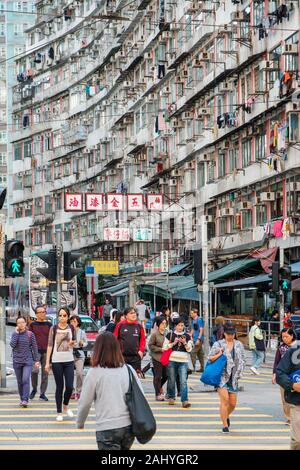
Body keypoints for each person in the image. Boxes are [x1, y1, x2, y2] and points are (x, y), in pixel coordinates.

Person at [77, 332, 143, 450]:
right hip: (129, 427)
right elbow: (140, 395)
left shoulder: (94, 372)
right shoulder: (128, 369)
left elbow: (85, 402)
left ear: (98, 349)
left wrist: (80, 422)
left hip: (107, 428)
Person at [208, 322, 245, 433]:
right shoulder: (218, 344)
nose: (230, 336)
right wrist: (220, 353)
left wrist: (241, 369)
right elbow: (210, 358)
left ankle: (225, 416)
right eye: (228, 334)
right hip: (222, 377)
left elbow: (243, 358)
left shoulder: (239, 344)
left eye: (232, 334)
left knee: (233, 404)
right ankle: (225, 426)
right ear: (224, 333)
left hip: (233, 378)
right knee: (225, 400)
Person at [45, 307, 77, 421]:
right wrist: (47, 363)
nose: (62, 317)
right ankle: (59, 412)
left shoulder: (72, 328)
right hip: (56, 361)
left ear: (68, 317)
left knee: (69, 387)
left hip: (69, 361)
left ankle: (65, 405)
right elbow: (49, 345)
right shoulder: (53, 328)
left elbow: (74, 343)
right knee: (59, 387)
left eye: (64, 315)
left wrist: (73, 344)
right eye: (60, 315)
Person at [163, 316, 193, 408]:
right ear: (175, 326)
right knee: (171, 379)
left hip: (183, 361)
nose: (181, 327)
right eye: (179, 325)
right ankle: (171, 397)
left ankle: (185, 400)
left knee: (183, 381)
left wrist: (184, 343)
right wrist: (173, 343)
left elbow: (189, 349)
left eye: (182, 325)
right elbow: (164, 347)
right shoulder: (170, 334)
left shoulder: (187, 336)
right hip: (172, 360)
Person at [10, 316, 40, 407]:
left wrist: (36, 360)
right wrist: (16, 333)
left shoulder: (30, 334)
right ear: (17, 324)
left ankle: (25, 400)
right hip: (17, 360)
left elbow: (35, 347)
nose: (21, 324)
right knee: (19, 382)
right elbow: (12, 344)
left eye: (22, 322)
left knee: (25, 379)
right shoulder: (14, 334)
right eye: (19, 323)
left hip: (27, 360)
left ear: (25, 323)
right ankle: (22, 398)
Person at [276, 341, 300, 450]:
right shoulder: (294, 351)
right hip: (297, 403)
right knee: (298, 439)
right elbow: (280, 374)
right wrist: (292, 385)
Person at [272, 328, 297, 424]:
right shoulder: (281, 348)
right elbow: (276, 362)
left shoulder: (297, 346)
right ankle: (289, 417)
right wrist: (274, 374)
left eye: (286, 336)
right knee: (284, 397)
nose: (284, 338)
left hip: (296, 375)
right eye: (282, 337)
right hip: (283, 376)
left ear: (292, 336)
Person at [29, 305, 52, 401]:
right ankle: (34, 389)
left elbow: (52, 339)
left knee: (45, 374)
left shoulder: (49, 325)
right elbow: (29, 338)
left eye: (44, 312)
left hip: (47, 352)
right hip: (36, 352)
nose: (43, 314)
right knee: (34, 371)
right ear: (36, 314)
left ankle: (42, 393)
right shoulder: (32, 325)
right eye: (40, 312)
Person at [114, 307, 146, 375]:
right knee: (123, 378)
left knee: (134, 379)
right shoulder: (120, 325)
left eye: (134, 313)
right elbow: (114, 339)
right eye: (131, 313)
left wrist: (141, 351)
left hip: (135, 357)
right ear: (126, 316)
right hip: (122, 357)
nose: (134, 315)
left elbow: (142, 340)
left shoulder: (139, 326)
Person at [148, 317, 168, 401]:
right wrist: (160, 349)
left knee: (166, 375)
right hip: (157, 358)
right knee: (158, 376)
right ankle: (157, 394)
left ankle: (159, 387)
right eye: (162, 323)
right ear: (158, 325)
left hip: (165, 358)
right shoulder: (154, 334)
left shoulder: (166, 334)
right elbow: (150, 345)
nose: (164, 325)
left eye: (165, 323)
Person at [70, 315, 88, 400]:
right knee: (69, 374)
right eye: (72, 321)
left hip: (79, 353)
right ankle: (72, 391)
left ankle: (79, 391)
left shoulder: (82, 332)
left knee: (79, 373)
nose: (73, 323)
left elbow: (86, 342)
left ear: (78, 323)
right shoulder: (68, 331)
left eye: (75, 321)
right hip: (69, 353)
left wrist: (82, 343)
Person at [190, 308, 204, 373]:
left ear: (195, 313)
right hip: (195, 338)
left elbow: (201, 330)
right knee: (200, 354)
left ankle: (192, 367)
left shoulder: (199, 320)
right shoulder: (193, 320)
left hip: (198, 339)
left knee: (193, 352)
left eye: (192, 313)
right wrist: (190, 335)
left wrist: (199, 339)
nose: (191, 314)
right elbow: (193, 329)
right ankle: (202, 367)